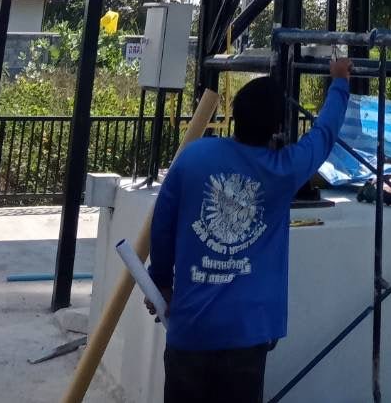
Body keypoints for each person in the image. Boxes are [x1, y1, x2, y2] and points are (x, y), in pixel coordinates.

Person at [147, 60, 352, 403]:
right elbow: (324, 134)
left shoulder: (194, 156)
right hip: (248, 332)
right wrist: (340, 83)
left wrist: (161, 282)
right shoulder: (283, 171)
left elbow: (162, 224)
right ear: (276, 129)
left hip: (191, 329)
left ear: (235, 115)